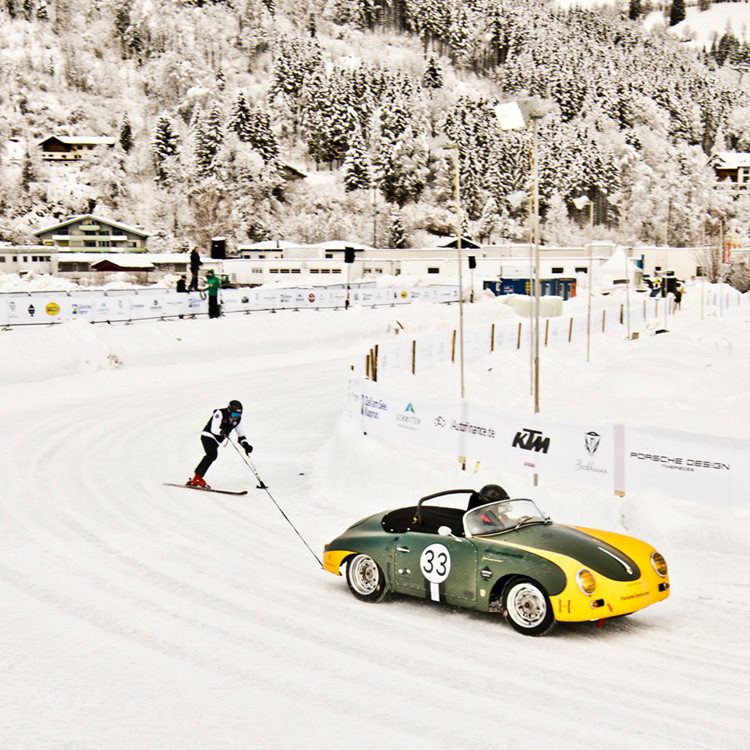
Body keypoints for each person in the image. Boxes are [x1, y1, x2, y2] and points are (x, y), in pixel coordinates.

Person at [188, 400, 253, 488]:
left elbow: (241, 435)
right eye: (234, 414)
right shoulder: (220, 413)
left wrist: (245, 445)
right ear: (229, 410)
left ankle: (196, 479)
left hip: (217, 441)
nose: (235, 417)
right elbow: (214, 429)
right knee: (212, 455)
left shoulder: (238, 420)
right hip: (208, 435)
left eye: (238, 415)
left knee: (212, 455)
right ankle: (197, 478)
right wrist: (223, 431)